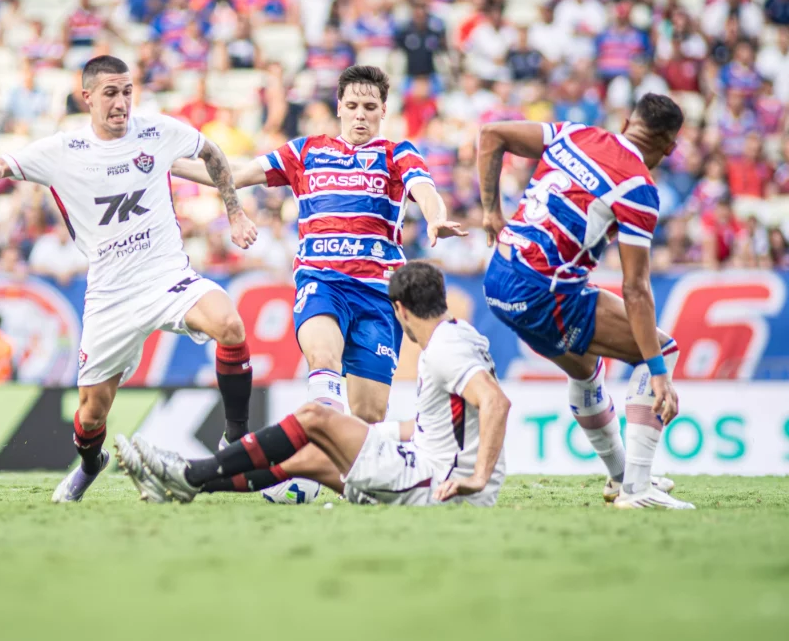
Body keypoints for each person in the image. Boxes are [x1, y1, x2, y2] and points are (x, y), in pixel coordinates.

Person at [0, 55, 259, 503]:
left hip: (166, 276)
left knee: (231, 325)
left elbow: (212, 154)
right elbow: (4, 163)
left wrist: (235, 212)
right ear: (86, 97)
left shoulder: (158, 131)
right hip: (110, 296)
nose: (122, 102)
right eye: (110, 93)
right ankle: (90, 465)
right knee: (90, 416)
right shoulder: (63, 151)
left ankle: (235, 440)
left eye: (127, 91)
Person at [171, 65, 465, 500]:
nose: (360, 115)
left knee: (368, 416)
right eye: (352, 106)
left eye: (370, 107)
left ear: (384, 111)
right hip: (321, 279)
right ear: (339, 109)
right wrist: (169, 164)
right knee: (323, 359)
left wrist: (437, 216)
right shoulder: (305, 151)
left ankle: (310, 477)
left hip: (378, 295)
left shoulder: (396, 152)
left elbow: (424, 189)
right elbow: (235, 174)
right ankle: (294, 481)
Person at [115, 261, 510, 507]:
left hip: (436, 485)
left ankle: (187, 470)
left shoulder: (443, 349)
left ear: (400, 310)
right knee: (308, 460)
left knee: (314, 417)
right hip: (432, 469)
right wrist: (368, 432)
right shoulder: (458, 336)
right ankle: (192, 484)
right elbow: (438, 426)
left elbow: (495, 403)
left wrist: (476, 480)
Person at [477, 93, 693, 509]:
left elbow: (491, 134)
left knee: (585, 370)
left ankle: (619, 477)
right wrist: (658, 369)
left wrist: (491, 211)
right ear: (668, 148)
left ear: (628, 121)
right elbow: (635, 288)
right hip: (543, 292)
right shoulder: (637, 186)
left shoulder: (574, 134)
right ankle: (637, 489)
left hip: (499, 278)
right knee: (661, 349)